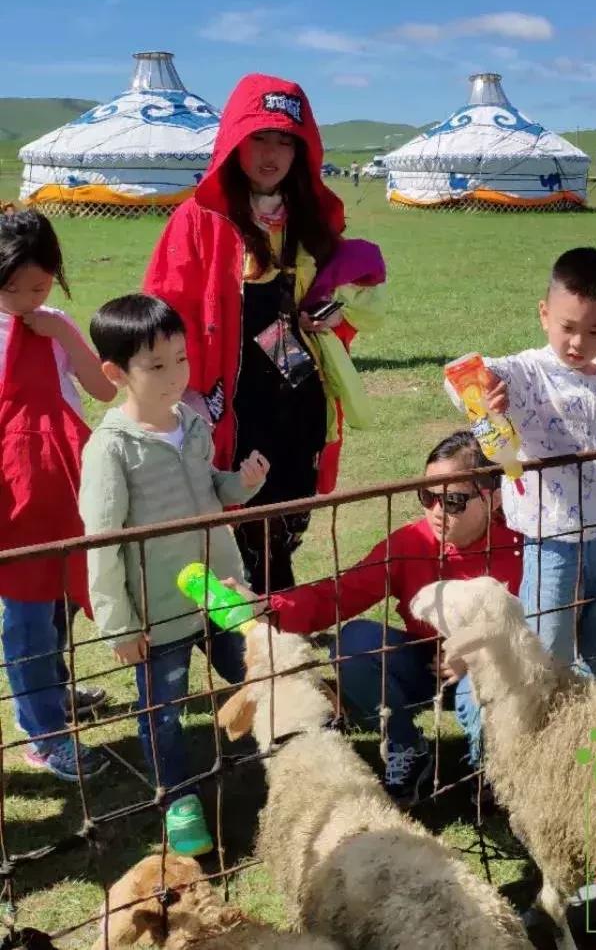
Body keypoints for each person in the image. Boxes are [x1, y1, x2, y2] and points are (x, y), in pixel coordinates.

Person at [144, 73, 385, 594]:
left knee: (292, 493)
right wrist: (172, 394)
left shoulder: (313, 220)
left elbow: (351, 296)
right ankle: (249, 618)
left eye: (285, 141)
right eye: (259, 137)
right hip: (228, 394)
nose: (271, 154)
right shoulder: (198, 220)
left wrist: (331, 314)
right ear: (234, 139)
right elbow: (166, 310)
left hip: (298, 388)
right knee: (234, 505)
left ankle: (280, 601)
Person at [79, 294, 269, 856]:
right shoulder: (110, 451)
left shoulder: (191, 421)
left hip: (220, 590)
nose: (175, 375)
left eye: (181, 359)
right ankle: (179, 800)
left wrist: (241, 484)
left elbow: (209, 486)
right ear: (116, 374)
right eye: (156, 366)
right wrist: (119, 626)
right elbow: (101, 545)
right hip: (157, 614)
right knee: (163, 714)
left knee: (262, 671)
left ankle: (296, 754)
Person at [265, 431, 522, 805]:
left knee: (482, 684)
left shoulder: (522, 546)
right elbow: (340, 593)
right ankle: (406, 747)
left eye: (453, 500)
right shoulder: (410, 544)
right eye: (427, 496)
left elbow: (539, 628)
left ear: (493, 497)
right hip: (425, 664)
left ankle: (494, 767)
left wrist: (479, 655)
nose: (436, 510)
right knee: (352, 642)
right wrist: (268, 607)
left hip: (498, 669)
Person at [458, 247, 596, 681]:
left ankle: (593, 733)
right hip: (554, 541)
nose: (579, 342)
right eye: (568, 327)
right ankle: (547, 735)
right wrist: (484, 390)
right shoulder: (527, 372)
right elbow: (469, 372)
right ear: (545, 314)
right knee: (548, 650)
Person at [0, 210, 115, 780]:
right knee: (24, 615)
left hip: (67, 484)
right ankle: (42, 733)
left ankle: (50, 695)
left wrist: (66, 333)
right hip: (13, 497)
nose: (25, 299)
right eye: (12, 288)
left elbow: (99, 389)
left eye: (39, 286)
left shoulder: (54, 323)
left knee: (61, 601)